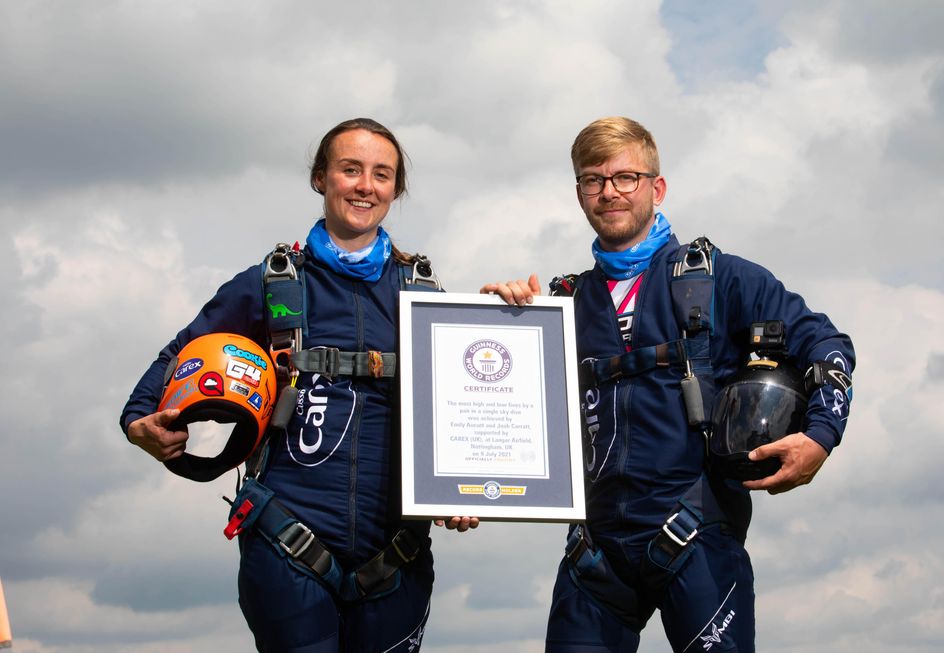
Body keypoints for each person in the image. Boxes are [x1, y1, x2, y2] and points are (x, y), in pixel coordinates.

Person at [483, 116, 855, 652]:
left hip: (697, 536)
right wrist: (502, 318)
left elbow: (826, 344)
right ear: (580, 193)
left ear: (656, 187)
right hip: (596, 553)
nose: (609, 191)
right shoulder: (561, 303)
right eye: (593, 180)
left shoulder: (719, 278)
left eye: (625, 177)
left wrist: (822, 435)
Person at [121, 118, 477, 652]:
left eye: (381, 174)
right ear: (321, 178)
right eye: (350, 169)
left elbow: (463, 401)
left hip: (395, 554)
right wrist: (139, 423)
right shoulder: (272, 283)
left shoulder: (423, 293)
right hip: (288, 543)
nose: (365, 185)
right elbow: (179, 356)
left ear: (395, 190)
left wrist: (463, 486)